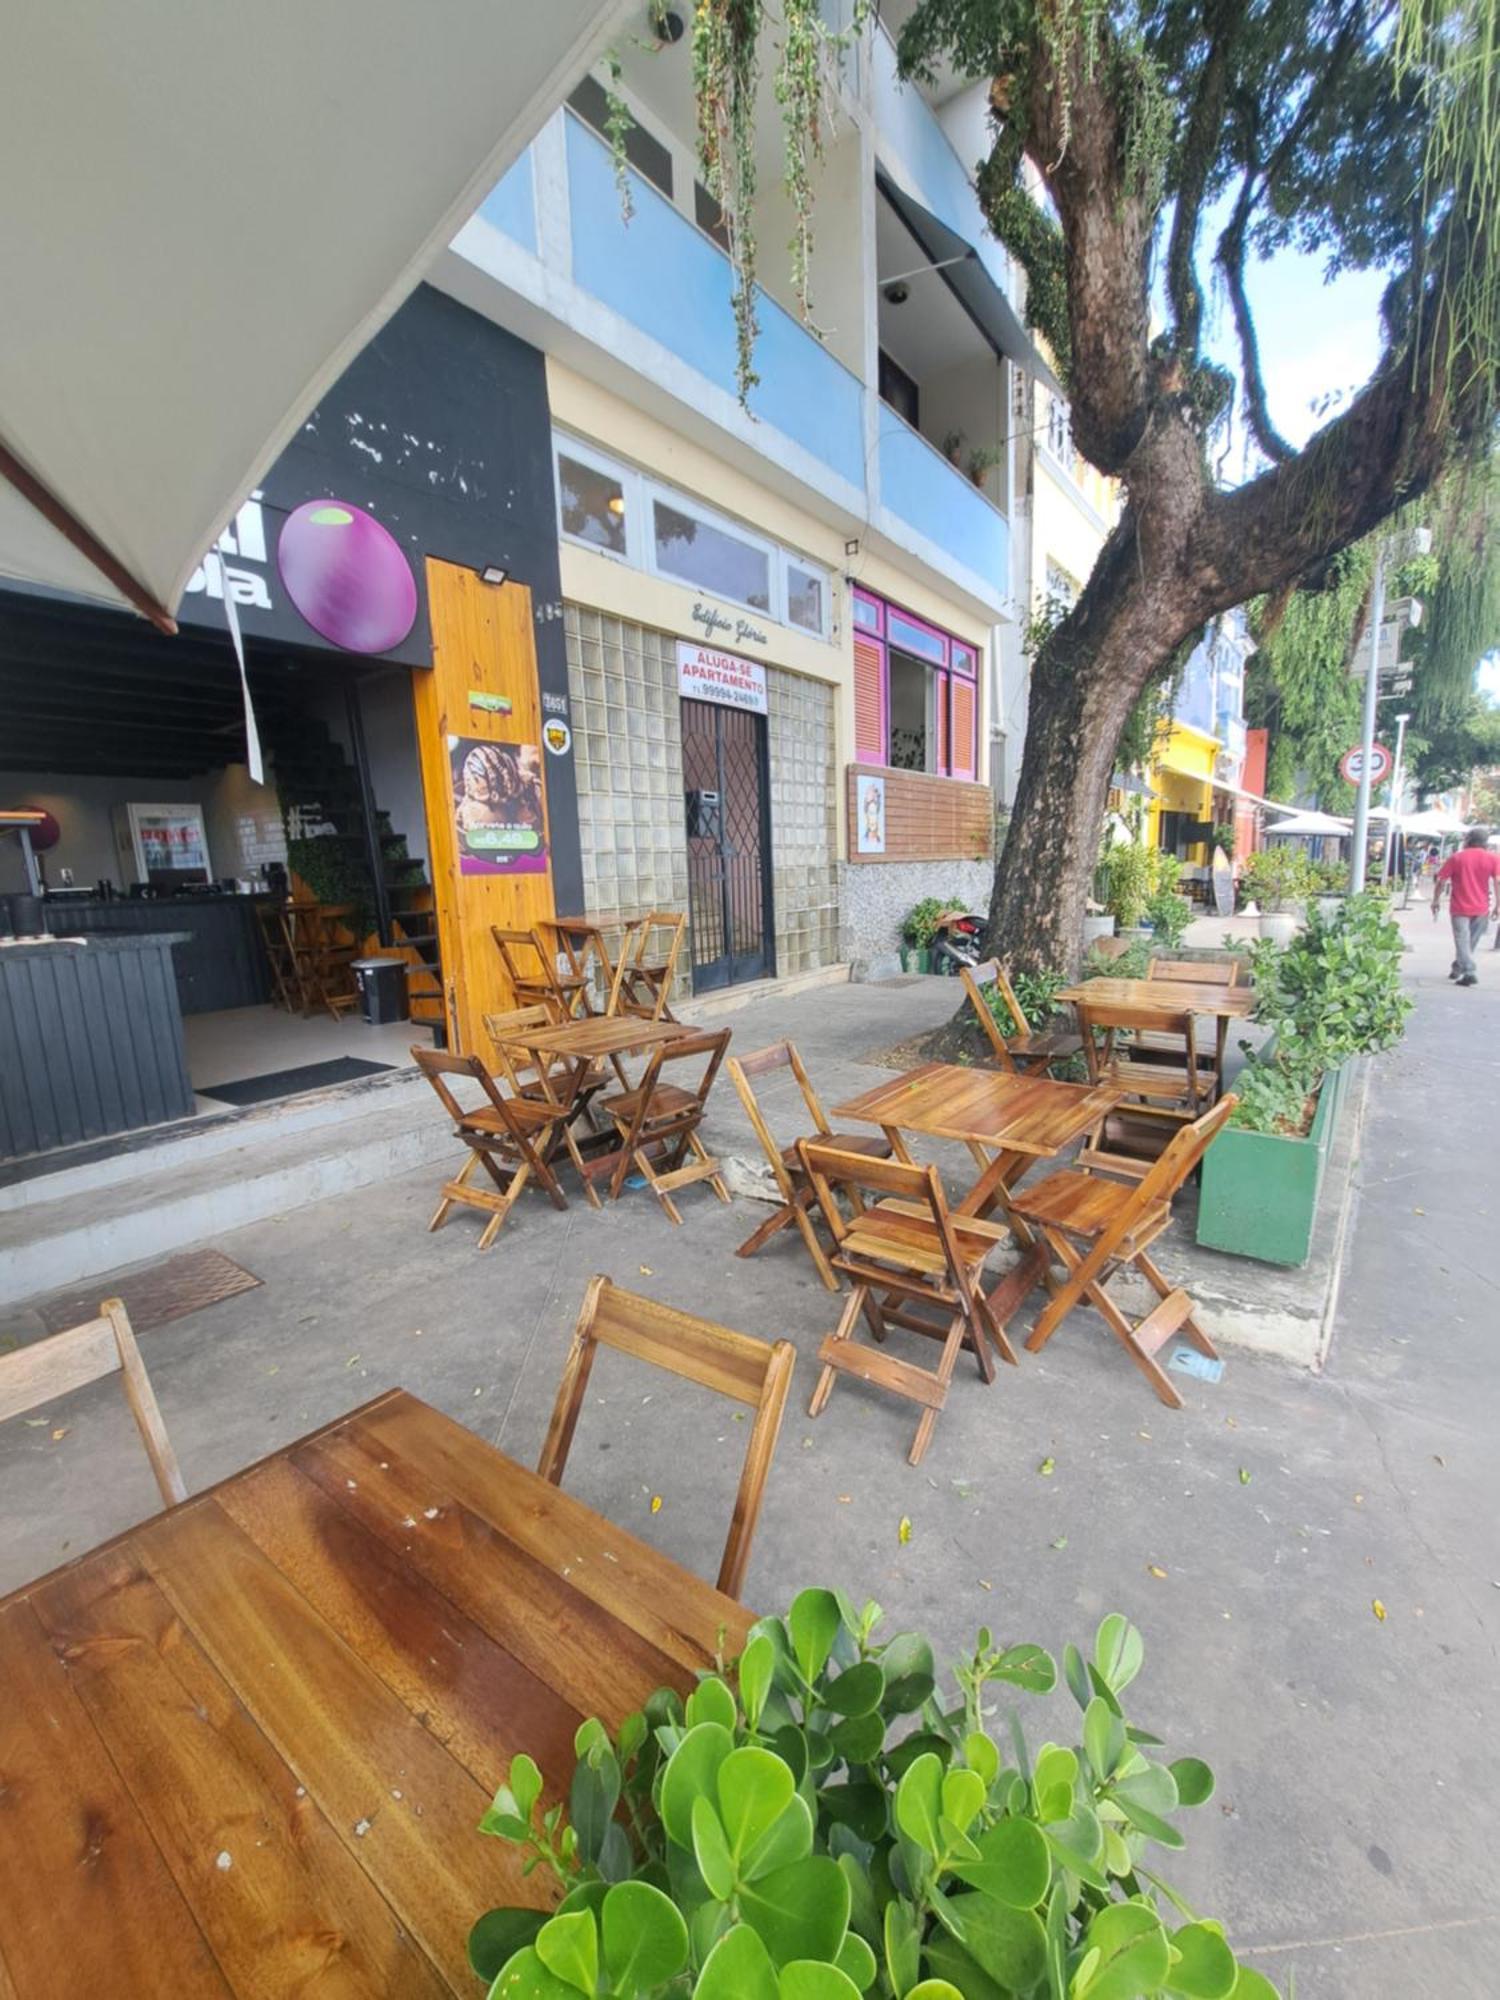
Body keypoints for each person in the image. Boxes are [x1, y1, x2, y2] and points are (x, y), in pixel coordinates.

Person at [1432, 829, 1500, 986]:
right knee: (1470, 942)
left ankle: (1468, 971)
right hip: (1481, 907)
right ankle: (1457, 968)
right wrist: (1498, 905)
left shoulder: (1456, 858)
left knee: (1462, 940)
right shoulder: (1493, 859)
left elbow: (1441, 881)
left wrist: (1435, 900)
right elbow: (1498, 881)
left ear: (1468, 840)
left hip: (1459, 907)